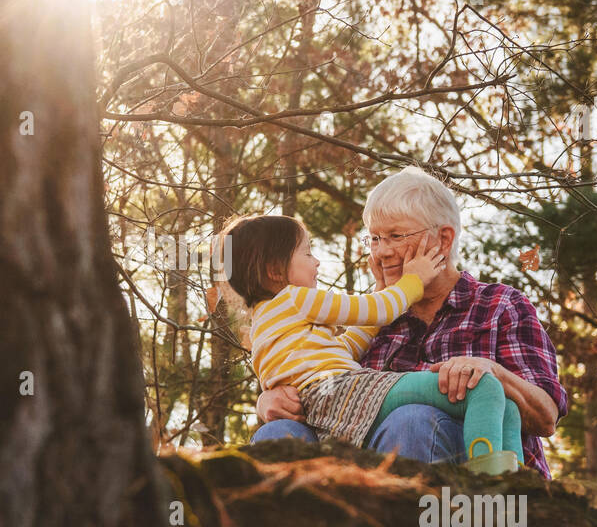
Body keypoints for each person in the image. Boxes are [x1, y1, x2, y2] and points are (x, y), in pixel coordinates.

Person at [250, 166, 568, 478]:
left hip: (464, 478)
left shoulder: (500, 306)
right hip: (365, 477)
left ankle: (483, 504)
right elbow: (321, 384)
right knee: (276, 435)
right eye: (374, 239)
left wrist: (491, 373)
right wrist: (270, 397)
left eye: (395, 236)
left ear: (443, 240)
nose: (381, 252)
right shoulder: (374, 317)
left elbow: (546, 417)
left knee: (412, 420)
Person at [219, 213, 524, 473]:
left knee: (506, 407)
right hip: (343, 392)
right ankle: (488, 487)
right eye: (308, 253)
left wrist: (381, 287)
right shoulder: (294, 299)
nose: (318, 262)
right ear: (275, 270)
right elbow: (380, 309)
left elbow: (345, 348)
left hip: (329, 399)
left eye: (395, 236)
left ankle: (517, 483)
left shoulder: (264, 323)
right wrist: (412, 281)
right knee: (482, 387)